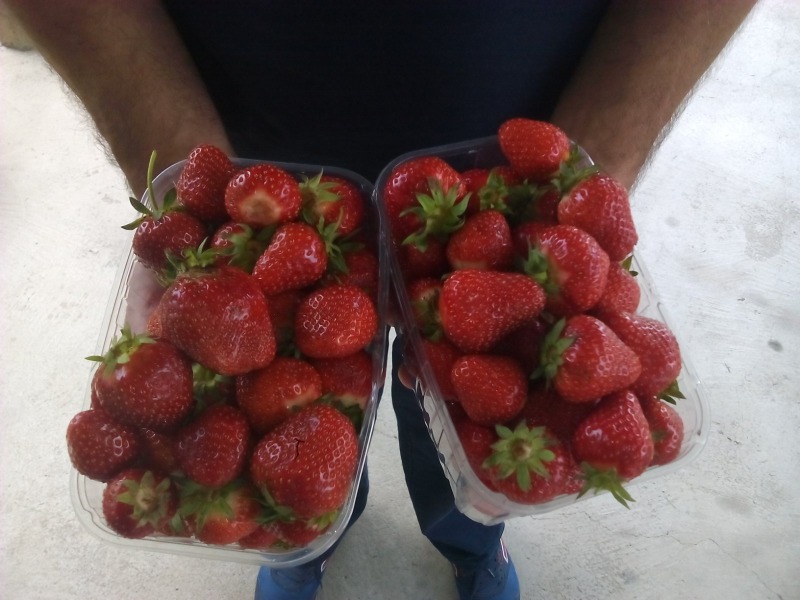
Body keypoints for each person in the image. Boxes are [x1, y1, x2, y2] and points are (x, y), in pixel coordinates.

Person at [8, 1, 756, 599]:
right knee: (314, 426)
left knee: (465, 420)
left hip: (500, 184)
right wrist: (192, 196)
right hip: (250, 176)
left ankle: (468, 539)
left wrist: (585, 175)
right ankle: (305, 534)